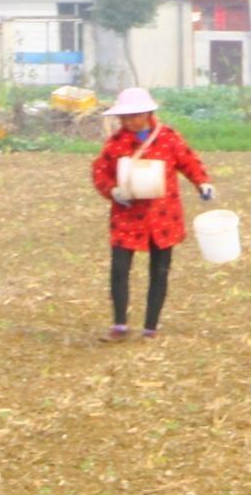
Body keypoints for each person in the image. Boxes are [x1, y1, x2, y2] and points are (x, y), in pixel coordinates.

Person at [91, 87, 214, 342]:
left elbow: (189, 161)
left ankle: (150, 327)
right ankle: (119, 325)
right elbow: (100, 173)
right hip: (126, 215)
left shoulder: (168, 138)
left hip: (163, 216)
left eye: (133, 116)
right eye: (124, 118)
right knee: (119, 269)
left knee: (159, 270)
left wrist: (202, 183)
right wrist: (112, 191)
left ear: (147, 113)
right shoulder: (115, 143)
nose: (128, 122)